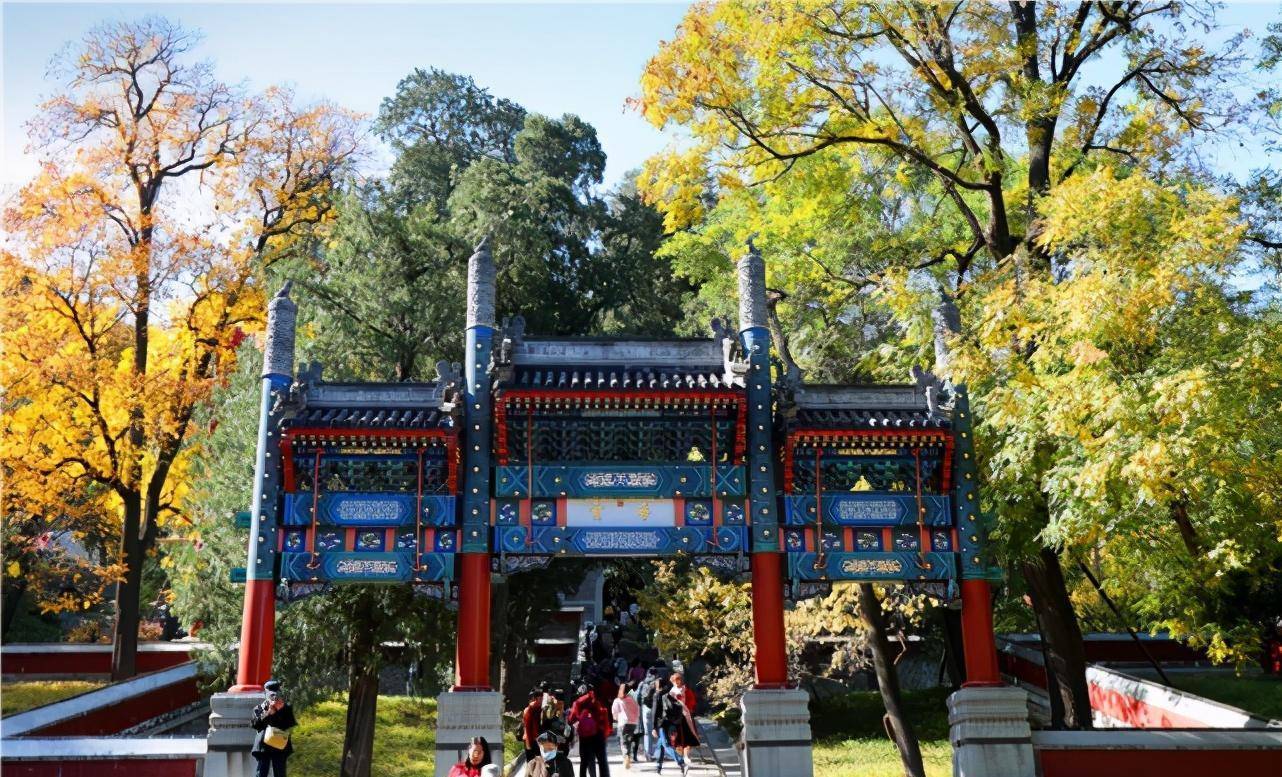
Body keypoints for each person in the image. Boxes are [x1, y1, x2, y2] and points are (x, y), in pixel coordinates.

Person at [250, 679, 297, 777]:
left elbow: (290, 724)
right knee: (262, 771)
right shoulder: (260, 708)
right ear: (266, 694)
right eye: (271, 694)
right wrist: (268, 713)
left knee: (280, 772)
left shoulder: (286, 708)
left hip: (279, 743)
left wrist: (280, 711)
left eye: (275, 694)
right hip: (264, 745)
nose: (273, 697)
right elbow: (255, 725)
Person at [568, 683, 610, 777]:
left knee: (587, 760)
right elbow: (604, 715)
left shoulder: (578, 703)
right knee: (602, 761)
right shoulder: (597, 700)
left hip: (585, 736)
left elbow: (571, 719)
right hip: (598, 733)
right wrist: (605, 732)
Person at [650, 678, 687, 775]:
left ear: (658, 685)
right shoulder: (670, 692)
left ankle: (681, 762)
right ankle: (658, 766)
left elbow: (654, 712)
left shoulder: (657, 694)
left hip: (662, 723)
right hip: (672, 722)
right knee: (661, 745)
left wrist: (654, 727)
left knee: (666, 744)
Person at [668, 673, 701, 761]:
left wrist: (689, 708)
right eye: (675, 681)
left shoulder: (686, 690)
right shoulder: (671, 692)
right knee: (677, 736)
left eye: (678, 680)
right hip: (676, 717)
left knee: (689, 734)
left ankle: (686, 755)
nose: (677, 682)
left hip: (686, 715)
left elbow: (692, 700)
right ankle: (680, 753)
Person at [611, 682, 642, 769]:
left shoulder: (618, 700)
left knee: (623, 741)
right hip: (633, 723)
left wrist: (617, 719)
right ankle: (628, 756)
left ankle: (626, 757)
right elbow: (638, 711)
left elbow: (614, 713)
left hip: (623, 722)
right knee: (628, 740)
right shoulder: (633, 699)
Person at [522, 687, 544, 764]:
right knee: (531, 764)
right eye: (540, 699)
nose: (542, 700)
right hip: (530, 739)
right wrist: (528, 744)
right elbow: (527, 728)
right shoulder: (529, 710)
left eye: (542, 698)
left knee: (539, 763)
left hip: (538, 739)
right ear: (535, 699)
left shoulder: (540, 708)